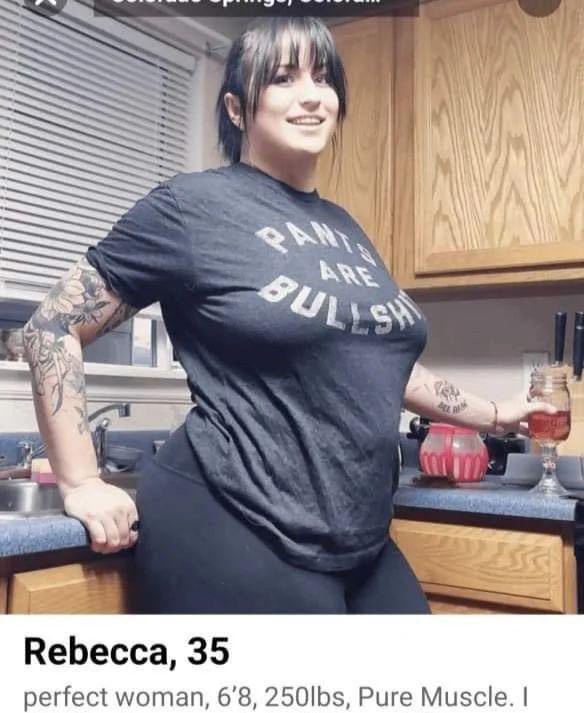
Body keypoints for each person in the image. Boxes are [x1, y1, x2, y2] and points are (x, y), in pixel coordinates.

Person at [22, 17, 550, 614]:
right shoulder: (192, 207)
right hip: (232, 515)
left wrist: (497, 414)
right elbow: (52, 324)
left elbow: (381, 366)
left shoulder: (345, 228)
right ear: (237, 109)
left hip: (359, 536)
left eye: (323, 79)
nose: (312, 96)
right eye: (283, 78)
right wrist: (82, 480)